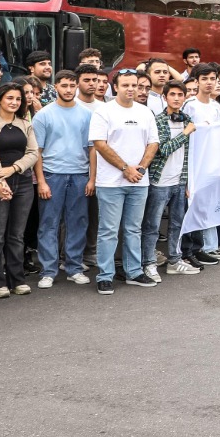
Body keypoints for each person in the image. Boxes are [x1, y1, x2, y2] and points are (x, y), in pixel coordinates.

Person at [90, 70, 160, 294]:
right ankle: (105, 275)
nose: (132, 89)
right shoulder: (104, 112)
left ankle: (134, 272)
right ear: (116, 87)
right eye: (126, 85)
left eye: (136, 85)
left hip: (139, 181)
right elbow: (100, 144)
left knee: (133, 229)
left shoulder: (145, 112)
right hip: (110, 183)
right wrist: (125, 168)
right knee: (108, 231)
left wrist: (140, 168)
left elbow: (153, 143)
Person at [32, 70, 94, 288]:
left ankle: (74, 267)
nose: (68, 90)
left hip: (79, 174)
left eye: (72, 85)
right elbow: (36, 151)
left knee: (78, 222)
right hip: (52, 174)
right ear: (55, 87)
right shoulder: (44, 115)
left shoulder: (87, 114)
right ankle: (48, 270)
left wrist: (91, 179)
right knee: (49, 223)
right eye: (64, 85)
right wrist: (41, 181)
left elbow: (92, 149)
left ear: (76, 86)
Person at [0, 83, 40, 296]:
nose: (14, 102)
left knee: (16, 235)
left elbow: (33, 152)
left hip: (23, 182)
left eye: (17, 99)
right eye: (9, 98)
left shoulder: (25, 124)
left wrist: (13, 168)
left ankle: (17, 279)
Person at [147, 80, 198, 274]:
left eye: (180, 95)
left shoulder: (187, 119)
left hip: (180, 180)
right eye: (173, 94)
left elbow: (191, 152)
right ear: (164, 97)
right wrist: (185, 133)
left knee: (177, 223)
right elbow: (164, 149)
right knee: (152, 225)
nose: (176, 98)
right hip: (159, 181)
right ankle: (149, 262)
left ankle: (174, 261)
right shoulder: (158, 120)